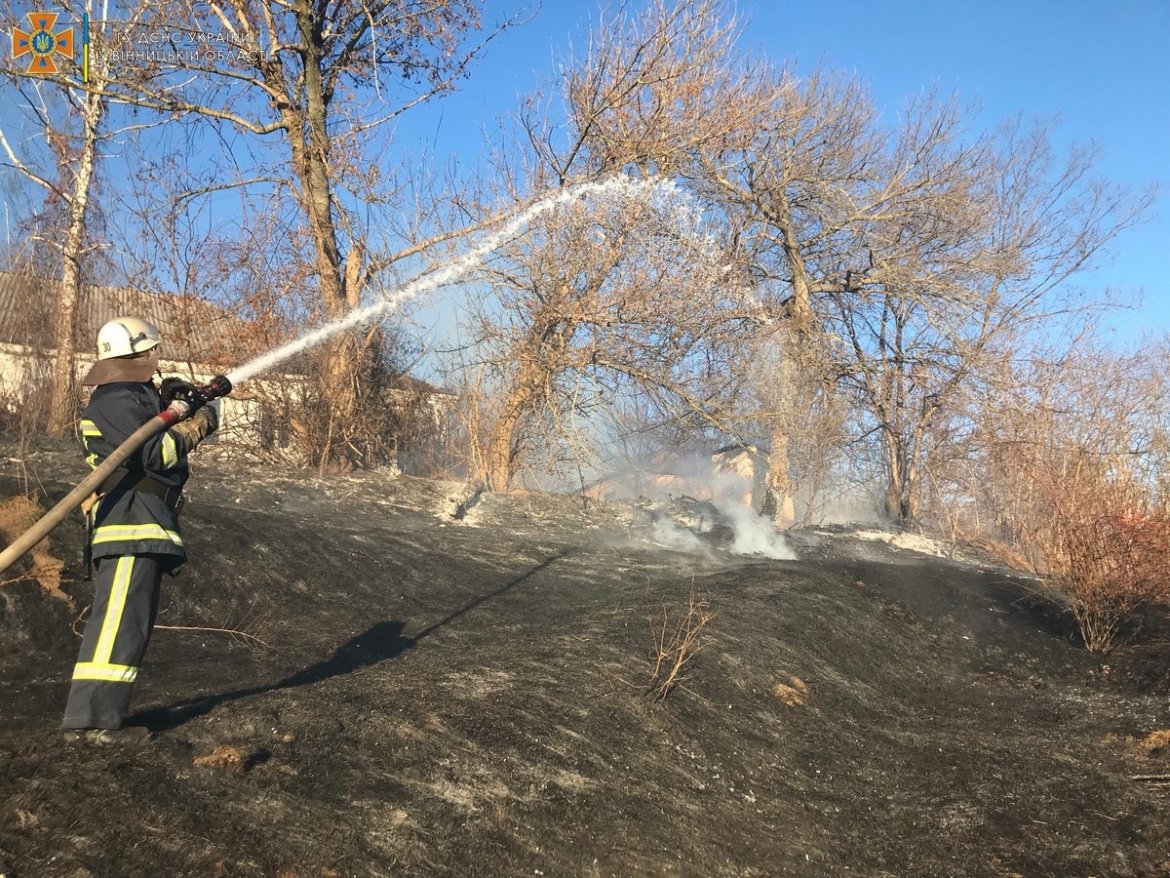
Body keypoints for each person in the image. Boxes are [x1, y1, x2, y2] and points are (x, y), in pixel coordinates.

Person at [61, 317, 219, 745]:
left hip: (141, 520)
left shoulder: (131, 397)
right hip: (129, 521)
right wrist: (194, 426)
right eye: (152, 350)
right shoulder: (117, 398)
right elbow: (154, 452)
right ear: (138, 354)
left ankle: (98, 716)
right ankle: (91, 722)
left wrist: (174, 403)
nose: (156, 357)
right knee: (118, 621)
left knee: (128, 624)